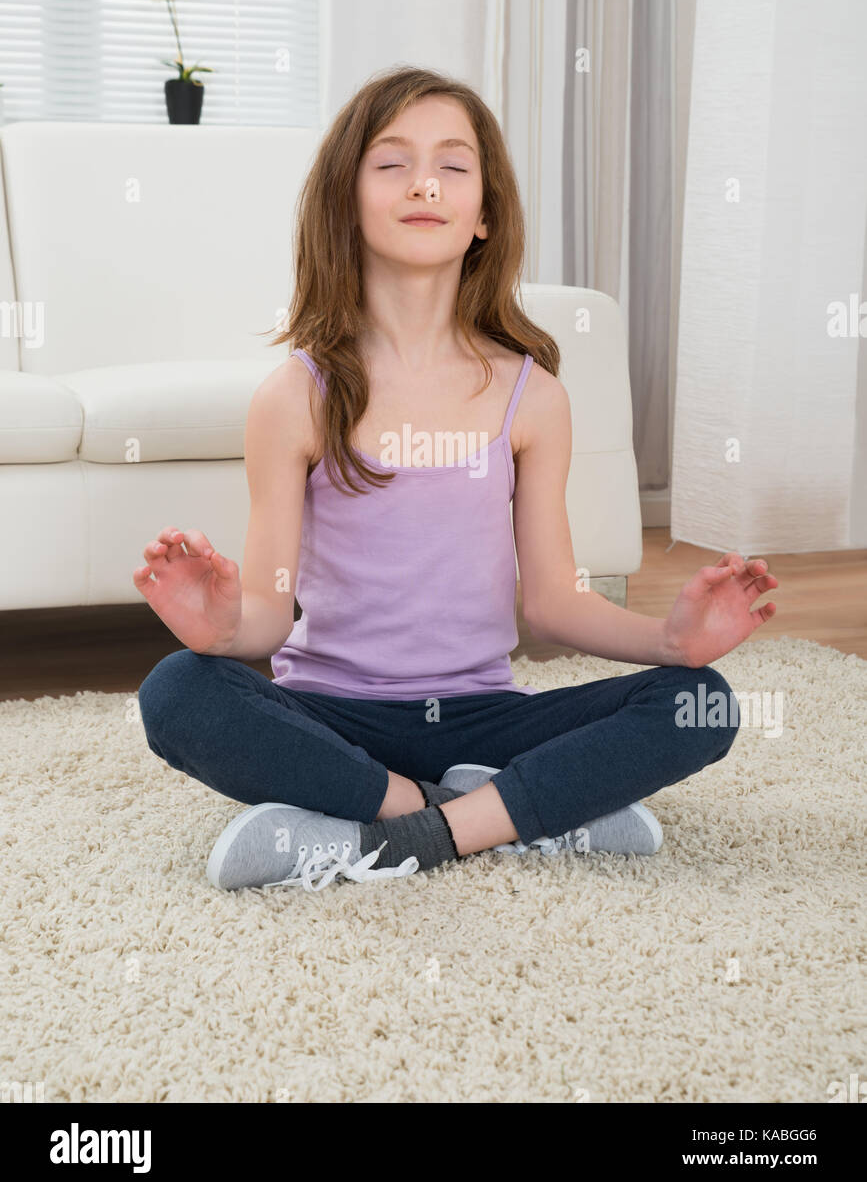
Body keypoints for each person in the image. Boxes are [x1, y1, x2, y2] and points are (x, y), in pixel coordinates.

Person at [135, 66, 778, 895]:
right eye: (391, 162)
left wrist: (672, 642)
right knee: (178, 690)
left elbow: (548, 602)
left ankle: (385, 831)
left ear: (483, 215)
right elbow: (266, 617)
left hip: (482, 715)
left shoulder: (533, 396)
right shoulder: (293, 395)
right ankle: (490, 818)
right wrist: (221, 626)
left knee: (706, 703)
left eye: (453, 164)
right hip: (332, 716)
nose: (425, 182)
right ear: (347, 201)